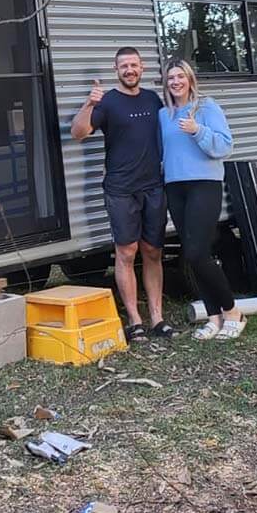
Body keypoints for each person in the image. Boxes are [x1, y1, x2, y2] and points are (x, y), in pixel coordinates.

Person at [71, 47, 172, 342]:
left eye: (134, 65)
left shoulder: (152, 99)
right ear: (116, 70)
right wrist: (89, 104)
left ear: (142, 67)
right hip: (120, 189)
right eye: (124, 65)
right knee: (126, 252)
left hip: (153, 187)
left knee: (153, 251)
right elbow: (78, 133)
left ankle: (157, 317)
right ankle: (135, 320)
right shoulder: (107, 101)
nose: (129, 70)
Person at [159, 59, 245, 340]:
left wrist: (198, 130)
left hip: (204, 185)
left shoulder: (206, 107)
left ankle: (233, 312)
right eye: (171, 77)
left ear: (190, 79)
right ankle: (213, 316)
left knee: (197, 252)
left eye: (180, 76)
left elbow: (225, 146)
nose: (175, 81)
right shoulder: (164, 114)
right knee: (194, 254)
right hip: (175, 187)